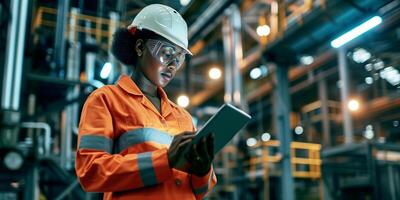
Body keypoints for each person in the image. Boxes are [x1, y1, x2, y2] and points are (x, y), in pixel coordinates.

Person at [75, 4, 217, 200]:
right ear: (140, 47)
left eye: (179, 58)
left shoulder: (182, 117)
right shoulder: (106, 100)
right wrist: (164, 161)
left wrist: (203, 171)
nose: (172, 65)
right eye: (167, 53)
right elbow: (90, 172)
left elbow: (199, 191)